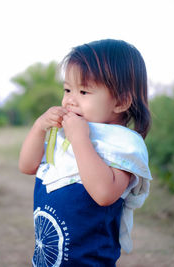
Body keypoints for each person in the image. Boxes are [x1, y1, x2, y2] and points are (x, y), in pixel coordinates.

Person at [19, 39, 153, 266]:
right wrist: (39, 126)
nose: (70, 100)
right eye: (67, 89)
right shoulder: (66, 133)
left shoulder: (123, 144)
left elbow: (104, 194)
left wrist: (80, 139)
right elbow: (27, 166)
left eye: (83, 91)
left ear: (121, 101)